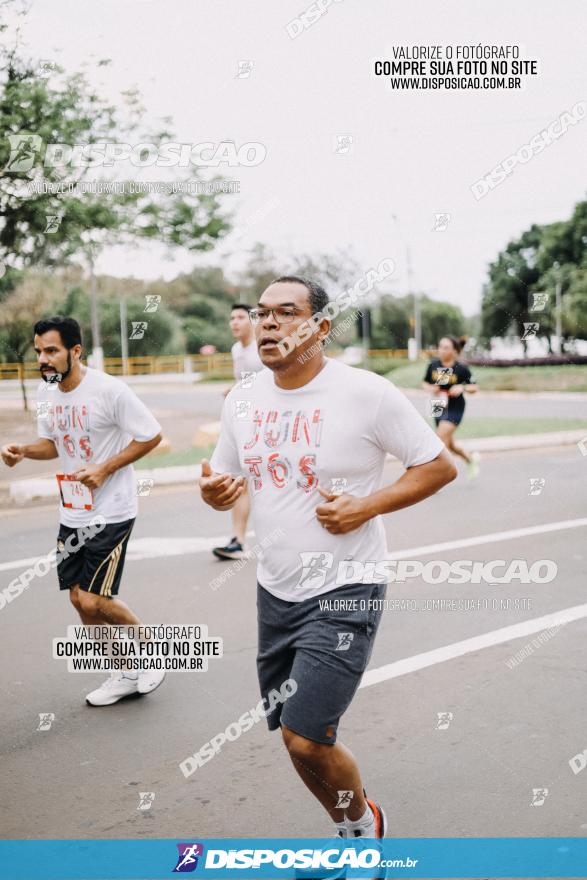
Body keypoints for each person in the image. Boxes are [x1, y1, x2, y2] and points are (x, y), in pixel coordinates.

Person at [199, 276, 457, 839]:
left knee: (308, 735)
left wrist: (365, 507)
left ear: (319, 327)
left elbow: (438, 466)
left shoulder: (365, 393)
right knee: (292, 735)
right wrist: (215, 491)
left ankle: (365, 827)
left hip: (346, 585)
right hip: (276, 588)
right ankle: (350, 826)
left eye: (285, 313)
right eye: (262, 313)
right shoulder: (242, 399)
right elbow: (225, 476)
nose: (268, 323)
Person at [1, 316, 165, 706]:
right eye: (39, 351)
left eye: (52, 351)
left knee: (94, 599)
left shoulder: (109, 391)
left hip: (113, 510)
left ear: (75, 351)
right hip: (73, 512)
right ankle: (123, 670)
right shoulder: (48, 393)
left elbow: (151, 434)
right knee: (78, 600)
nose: (43, 358)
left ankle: (155, 652)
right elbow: (53, 445)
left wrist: (105, 467)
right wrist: (23, 451)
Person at [212, 303, 264, 561]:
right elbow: (245, 381)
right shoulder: (236, 350)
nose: (235, 322)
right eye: (232, 318)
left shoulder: (261, 348)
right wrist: (233, 390)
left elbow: (270, 383)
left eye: (241, 317)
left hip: (267, 423)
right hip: (245, 423)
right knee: (240, 480)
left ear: (252, 321)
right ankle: (238, 540)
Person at [423, 335, 480, 479]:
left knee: (439, 439)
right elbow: (425, 383)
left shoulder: (461, 369)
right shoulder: (433, 365)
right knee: (449, 444)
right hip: (438, 405)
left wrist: (462, 388)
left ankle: (436, 477)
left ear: (454, 351)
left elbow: (474, 387)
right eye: (440, 346)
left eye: (446, 347)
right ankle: (470, 459)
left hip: (455, 406)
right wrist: (432, 388)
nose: (441, 350)